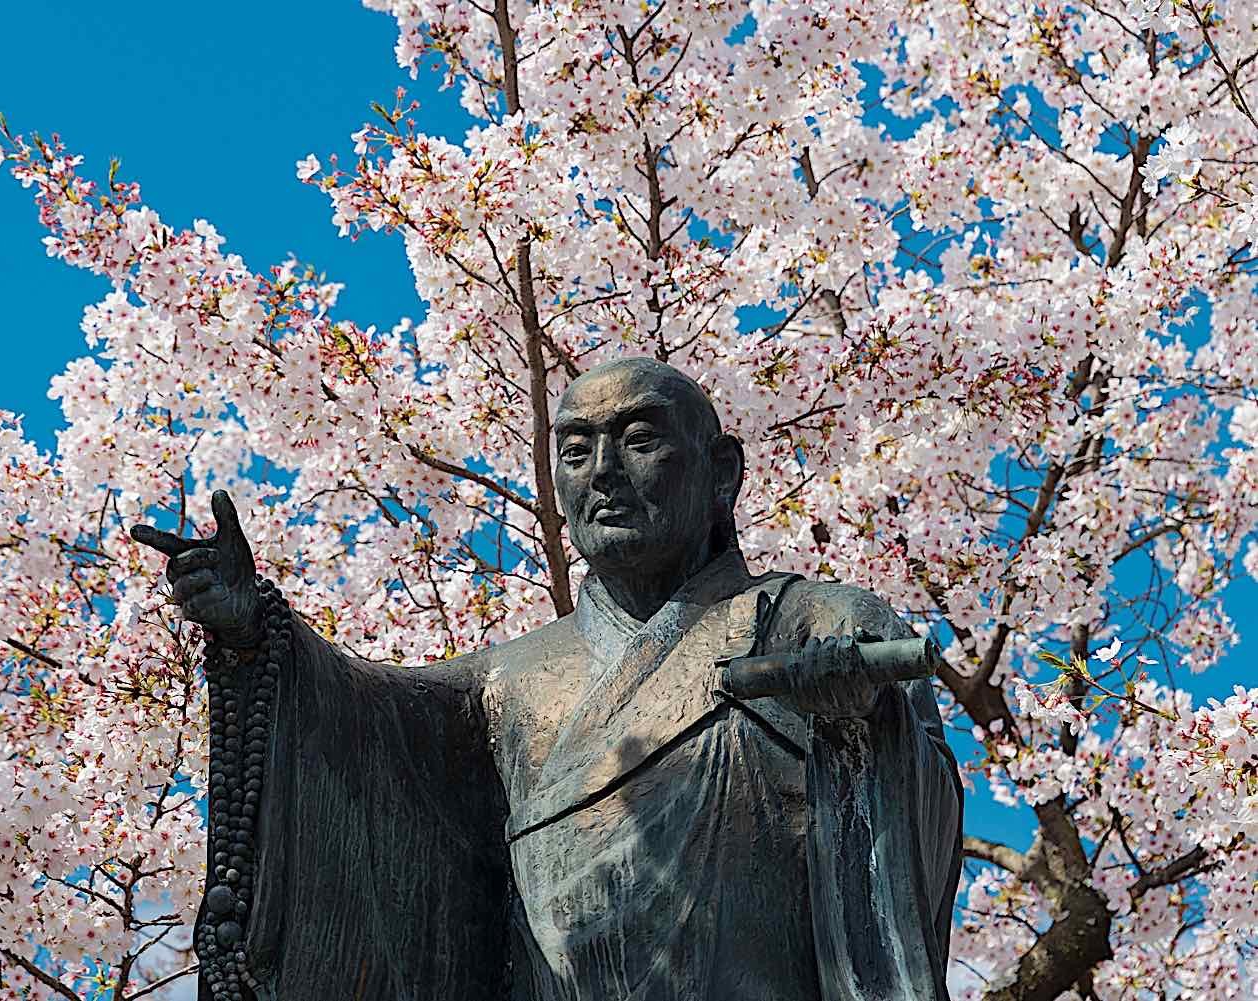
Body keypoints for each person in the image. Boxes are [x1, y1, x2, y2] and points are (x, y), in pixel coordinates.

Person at [133, 357, 963, 1001]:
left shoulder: (816, 624)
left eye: (639, 439)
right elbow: (367, 735)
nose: (602, 469)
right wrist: (258, 635)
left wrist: (860, 736)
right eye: (576, 448)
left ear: (722, 474)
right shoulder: (503, 685)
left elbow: (916, 840)